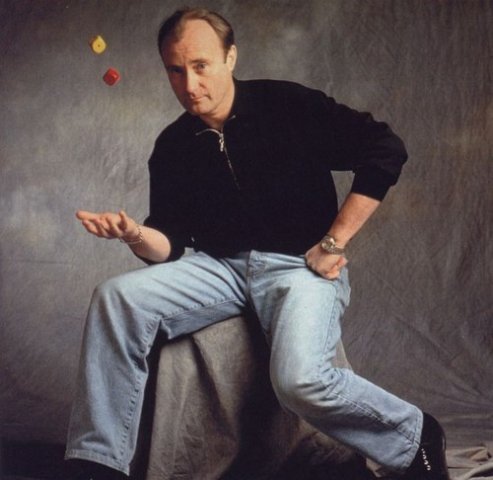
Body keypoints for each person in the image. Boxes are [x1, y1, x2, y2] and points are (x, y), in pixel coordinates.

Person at [65, 7, 450, 480]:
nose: (189, 85)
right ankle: (97, 463)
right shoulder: (173, 144)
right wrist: (134, 234)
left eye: (201, 65)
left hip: (298, 267)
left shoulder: (286, 105)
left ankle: (415, 434)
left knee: (300, 381)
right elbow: (170, 243)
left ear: (230, 57)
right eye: (176, 70)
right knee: (115, 297)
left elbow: (385, 149)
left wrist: (334, 240)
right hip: (219, 268)